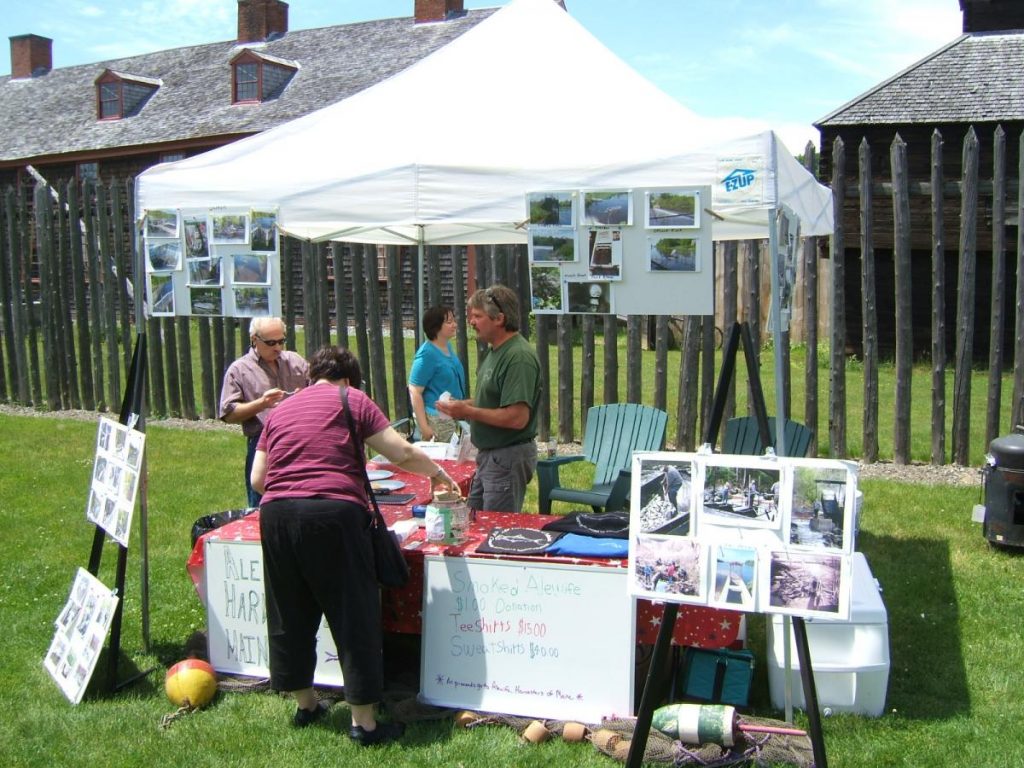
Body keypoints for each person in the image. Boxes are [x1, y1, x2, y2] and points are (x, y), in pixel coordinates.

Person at [251, 346, 457, 745]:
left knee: (289, 610)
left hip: (276, 515)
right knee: (353, 614)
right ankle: (364, 722)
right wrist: (436, 472)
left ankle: (305, 703)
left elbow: (260, 478)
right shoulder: (352, 399)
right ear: (349, 379)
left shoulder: (278, 412)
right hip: (334, 516)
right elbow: (400, 451)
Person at [435, 284, 541, 513]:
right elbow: (495, 399)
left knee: (495, 528)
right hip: (491, 457)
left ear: (499, 319)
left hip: (506, 457)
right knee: (475, 521)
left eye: (477, 316)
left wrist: (467, 412)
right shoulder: (497, 351)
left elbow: (517, 417)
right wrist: (462, 404)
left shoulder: (518, 357)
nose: (471, 322)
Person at [219, 317, 308, 508]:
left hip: (302, 438)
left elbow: (319, 390)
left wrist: (307, 396)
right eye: (271, 343)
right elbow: (229, 413)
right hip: (264, 443)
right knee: (263, 504)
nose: (277, 347)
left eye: (281, 341)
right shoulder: (240, 369)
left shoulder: (296, 361)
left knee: (304, 498)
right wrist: (261, 403)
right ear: (254, 340)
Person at [408, 305, 467, 443]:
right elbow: (414, 390)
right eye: (449, 322)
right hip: (437, 420)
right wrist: (424, 427)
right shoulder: (427, 354)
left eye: (454, 320)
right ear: (436, 327)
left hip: (450, 416)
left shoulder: (447, 346)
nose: (454, 325)